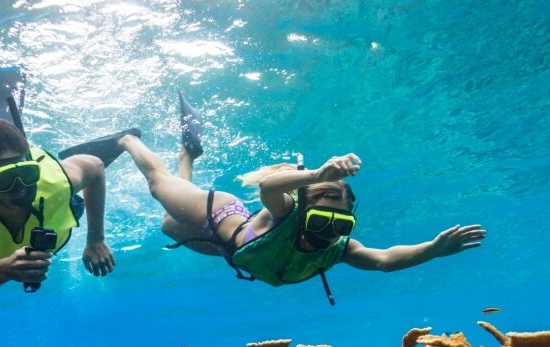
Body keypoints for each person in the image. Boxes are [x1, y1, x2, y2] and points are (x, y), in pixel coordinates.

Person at [114, 92, 486, 303]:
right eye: (321, 220)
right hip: (220, 215)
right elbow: (267, 190)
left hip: (230, 250)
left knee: (168, 225)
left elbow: (385, 259)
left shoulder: (337, 248)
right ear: (304, 208)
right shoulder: (286, 209)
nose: (327, 233)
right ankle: (128, 139)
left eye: (339, 225)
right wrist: (318, 176)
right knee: (158, 186)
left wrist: (432, 250)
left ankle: (188, 154)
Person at [0, 117, 117, 293]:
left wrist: (96, 239)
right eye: (4, 179)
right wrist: (5, 268)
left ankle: (123, 142)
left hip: (58, 206)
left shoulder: (55, 182)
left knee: (73, 203)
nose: (20, 189)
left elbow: (95, 166)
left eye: (27, 173)